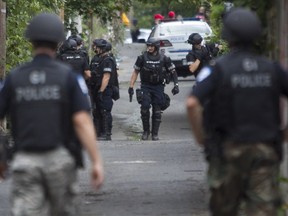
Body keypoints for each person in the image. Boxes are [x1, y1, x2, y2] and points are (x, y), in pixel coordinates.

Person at [186, 7, 288, 215]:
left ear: (227, 35)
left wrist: (201, 137)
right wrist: (285, 133)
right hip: (265, 149)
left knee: (225, 209)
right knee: (263, 209)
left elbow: (192, 103)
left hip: (227, 150)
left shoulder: (218, 69)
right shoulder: (272, 68)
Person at [0, 13, 104, 215]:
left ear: (31, 42)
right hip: (60, 160)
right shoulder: (68, 78)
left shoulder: (15, 77)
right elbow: (82, 121)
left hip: (25, 161)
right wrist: (96, 161)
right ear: (58, 42)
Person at [128, 38, 179, 141]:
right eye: (148, 46)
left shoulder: (164, 58)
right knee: (145, 108)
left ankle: (155, 134)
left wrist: (176, 84)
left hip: (158, 86)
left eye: (152, 46)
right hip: (146, 86)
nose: (149, 48)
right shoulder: (142, 58)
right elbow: (135, 72)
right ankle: (146, 131)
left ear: (156, 47)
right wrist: (131, 86)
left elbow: (173, 71)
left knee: (157, 110)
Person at [89, 39, 117, 141]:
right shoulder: (97, 58)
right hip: (96, 88)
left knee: (105, 111)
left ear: (102, 48)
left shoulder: (108, 60)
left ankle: (106, 133)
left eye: (96, 47)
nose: (94, 48)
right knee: (97, 111)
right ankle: (98, 133)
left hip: (105, 89)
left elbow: (106, 77)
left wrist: (101, 91)